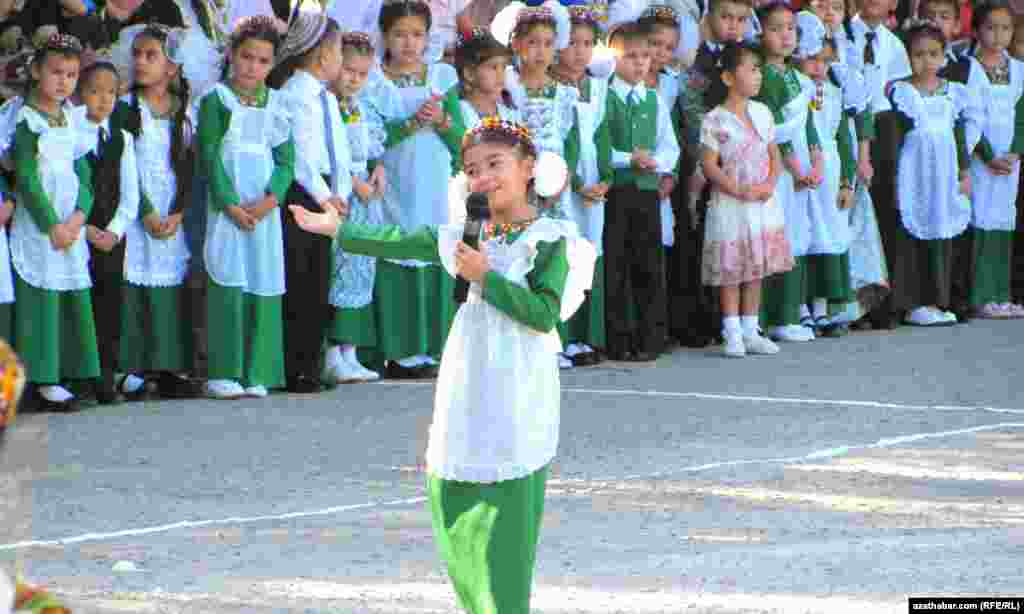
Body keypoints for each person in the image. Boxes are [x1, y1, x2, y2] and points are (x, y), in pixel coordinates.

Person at [289, 117, 596, 614]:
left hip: (519, 378)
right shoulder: (467, 233)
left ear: (528, 168)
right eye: (472, 170)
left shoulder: (549, 238)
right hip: (469, 373)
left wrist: (486, 278)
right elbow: (398, 238)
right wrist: (337, 229)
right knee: (454, 487)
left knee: (508, 504)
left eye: (494, 164)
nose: (483, 178)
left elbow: (543, 314)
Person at [362, 0, 466, 379]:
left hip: (433, 176)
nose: (409, 43)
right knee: (398, 246)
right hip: (395, 177)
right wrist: (408, 125)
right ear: (385, 36)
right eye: (400, 34)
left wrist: (441, 120)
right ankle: (399, 350)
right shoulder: (374, 78)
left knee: (432, 247)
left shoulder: (441, 76)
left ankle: (433, 346)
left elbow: (461, 138)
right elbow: (369, 137)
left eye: (417, 34)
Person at [199, 15, 293, 399]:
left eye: (263, 61)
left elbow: (286, 160)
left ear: (272, 64)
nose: (253, 67)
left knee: (262, 276)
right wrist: (230, 204)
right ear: (232, 55)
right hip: (228, 209)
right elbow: (210, 156)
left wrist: (271, 199)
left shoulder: (277, 103)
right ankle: (224, 371)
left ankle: (258, 371)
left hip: (264, 210)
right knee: (229, 276)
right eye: (246, 57)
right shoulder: (216, 100)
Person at [8, 34, 99, 411]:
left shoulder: (72, 119)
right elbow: (28, 179)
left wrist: (78, 217)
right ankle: (42, 378)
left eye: (72, 75)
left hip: (69, 226)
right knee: (42, 298)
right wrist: (52, 225)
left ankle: (73, 372)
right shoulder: (26, 121)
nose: (64, 81)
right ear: (36, 71)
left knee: (70, 294)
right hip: (41, 225)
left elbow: (84, 175)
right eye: (56, 72)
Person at [110, 24, 199, 399]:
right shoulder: (126, 107)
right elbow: (123, 165)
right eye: (137, 54)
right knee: (134, 281)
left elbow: (190, 165)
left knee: (169, 283)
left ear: (171, 65)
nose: (141, 62)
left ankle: (168, 364)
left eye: (151, 55)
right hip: (135, 210)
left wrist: (178, 211)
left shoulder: (184, 111)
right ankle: (130, 366)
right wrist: (145, 210)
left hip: (171, 212)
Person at [269, 11, 349, 393]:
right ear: (322, 55)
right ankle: (296, 367)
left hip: (329, 193)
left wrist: (341, 192)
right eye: (339, 51)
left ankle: (312, 363)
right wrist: (324, 196)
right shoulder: (294, 95)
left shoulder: (327, 98)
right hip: (304, 193)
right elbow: (299, 155)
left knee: (319, 279)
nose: (341, 60)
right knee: (301, 280)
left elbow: (340, 151)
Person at [886, 23, 981, 325]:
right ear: (907, 57)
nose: (926, 61)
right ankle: (912, 302)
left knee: (943, 229)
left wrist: (964, 172)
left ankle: (939, 300)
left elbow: (958, 136)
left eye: (933, 54)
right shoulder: (900, 92)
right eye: (918, 55)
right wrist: (895, 179)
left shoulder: (954, 92)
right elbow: (894, 138)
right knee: (912, 230)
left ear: (943, 56)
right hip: (914, 172)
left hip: (945, 173)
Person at [700, 42, 791, 357]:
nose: (758, 76)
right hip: (731, 203)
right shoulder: (715, 119)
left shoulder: (763, 112)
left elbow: (774, 155)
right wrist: (737, 189)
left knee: (755, 268)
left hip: (762, 200)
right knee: (732, 269)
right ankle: (732, 332)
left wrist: (769, 184)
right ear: (728, 77)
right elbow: (709, 165)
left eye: (759, 70)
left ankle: (752, 331)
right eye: (751, 69)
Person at [603, 21, 680, 362]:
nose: (639, 63)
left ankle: (651, 337)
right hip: (617, 191)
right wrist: (627, 158)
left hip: (647, 191)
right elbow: (599, 147)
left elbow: (669, 145)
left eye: (644, 56)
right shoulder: (605, 97)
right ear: (613, 59)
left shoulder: (653, 99)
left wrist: (657, 163)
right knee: (617, 263)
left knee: (649, 264)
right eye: (630, 56)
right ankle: (619, 338)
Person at [676, 0, 752, 348]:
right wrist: (703, 159)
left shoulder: (746, 57)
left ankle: (738, 319)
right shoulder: (697, 59)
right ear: (709, 17)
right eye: (726, 17)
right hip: (705, 160)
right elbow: (692, 110)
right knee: (702, 237)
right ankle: (699, 321)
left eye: (741, 19)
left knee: (737, 238)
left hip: (741, 161)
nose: (733, 25)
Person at [753, 0, 824, 343]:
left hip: (800, 168)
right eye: (776, 28)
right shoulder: (763, 76)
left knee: (795, 235)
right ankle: (772, 317)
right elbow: (774, 127)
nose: (785, 35)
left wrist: (817, 161)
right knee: (774, 237)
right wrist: (794, 167)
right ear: (760, 34)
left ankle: (791, 312)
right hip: (775, 167)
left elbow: (807, 124)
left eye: (791, 28)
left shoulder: (798, 77)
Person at [75, 59, 140, 404]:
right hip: (77, 234)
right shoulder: (70, 132)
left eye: (111, 93)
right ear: (79, 93)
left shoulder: (122, 139)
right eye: (95, 91)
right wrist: (86, 230)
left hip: (111, 238)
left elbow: (130, 196)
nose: (103, 99)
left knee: (109, 303)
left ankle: (106, 375)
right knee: (80, 304)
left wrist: (113, 232)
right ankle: (79, 376)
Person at [323, 30, 386, 384]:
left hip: (364, 201)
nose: (354, 79)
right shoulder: (327, 104)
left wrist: (378, 170)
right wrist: (354, 182)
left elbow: (372, 148)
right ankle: (331, 352)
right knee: (338, 273)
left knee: (360, 273)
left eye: (362, 73)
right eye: (349, 70)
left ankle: (350, 350)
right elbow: (330, 154)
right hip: (341, 197)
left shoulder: (360, 106)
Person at [551, 4, 610, 367]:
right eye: (572, 42)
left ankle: (586, 337)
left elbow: (602, 136)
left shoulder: (598, 88)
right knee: (561, 254)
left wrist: (605, 179)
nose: (580, 51)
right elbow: (561, 139)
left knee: (588, 255)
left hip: (592, 187)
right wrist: (573, 183)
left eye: (588, 44)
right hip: (562, 183)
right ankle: (560, 336)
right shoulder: (551, 87)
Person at [794, 11, 857, 336]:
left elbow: (844, 139)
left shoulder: (835, 93)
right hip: (800, 169)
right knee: (802, 236)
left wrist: (847, 181)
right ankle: (799, 307)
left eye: (825, 61)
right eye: (813, 59)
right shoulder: (796, 90)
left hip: (829, 173)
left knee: (827, 236)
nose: (819, 67)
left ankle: (821, 308)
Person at [963, 0, 1024, 319]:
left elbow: (1022, 115)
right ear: (976, 30)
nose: (998, 35)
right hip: (981, 158)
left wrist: (1015, 151)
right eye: (990, 27)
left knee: (1003, 220)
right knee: (981, 221)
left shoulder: (1019, 70)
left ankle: (1001, 294)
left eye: (1005, 28)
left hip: (1010, 161)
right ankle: (980, 296)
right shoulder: (969, 68)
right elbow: (969, 117)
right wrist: (987, 156)